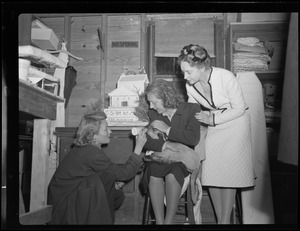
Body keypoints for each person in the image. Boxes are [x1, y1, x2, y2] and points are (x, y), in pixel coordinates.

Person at [177, 44, 255, 224]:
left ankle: (224, 221)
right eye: (183, 72)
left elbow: (240, 108)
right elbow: (192, 110)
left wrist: (211, 120)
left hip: (236, 123)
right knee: (212, 171)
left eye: (188, 72)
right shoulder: (191, 85)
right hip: (214, 123)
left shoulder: (225, 76)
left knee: (229, 173)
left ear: (201, 66)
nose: (184, 76)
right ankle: (221, 220)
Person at [47, 111, 147, 224]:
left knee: (107, 176)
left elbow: (111, 172)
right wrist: (138, 147)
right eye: (105, 129)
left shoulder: (88, 148)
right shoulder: (91, 152)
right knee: (106, 178)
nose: (110, 131)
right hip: (65, 203)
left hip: (67, 197)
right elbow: (123, 174)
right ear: (93, 136)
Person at [140, 79, 201, 224]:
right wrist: (168, 144)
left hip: (182, 161)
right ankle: (160, 223)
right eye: (149, 102)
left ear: (166, 98)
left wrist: (167, 130)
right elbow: (147, 141)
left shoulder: (191, 109)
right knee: (153, 171)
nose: (151, 106)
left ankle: (168, 222)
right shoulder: (154, 114)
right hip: (161, 158)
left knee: (173, 174)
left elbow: (192, 139)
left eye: (154, 102)